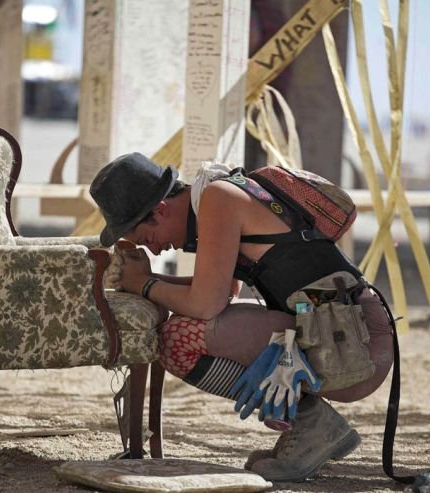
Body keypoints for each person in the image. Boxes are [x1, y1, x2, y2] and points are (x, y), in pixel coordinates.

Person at [89, 152, 394, 483]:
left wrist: (145, 285)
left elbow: (206, 304)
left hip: (354, 345)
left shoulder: (219, 200)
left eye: (148, 239)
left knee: (178, 340)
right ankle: (311, 425)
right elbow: (222, 293)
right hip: (344, 330)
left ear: (160, 210)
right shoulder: (220, 195)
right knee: (187, 326)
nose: (156, 250)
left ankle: (311, 424)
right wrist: (146, 284)